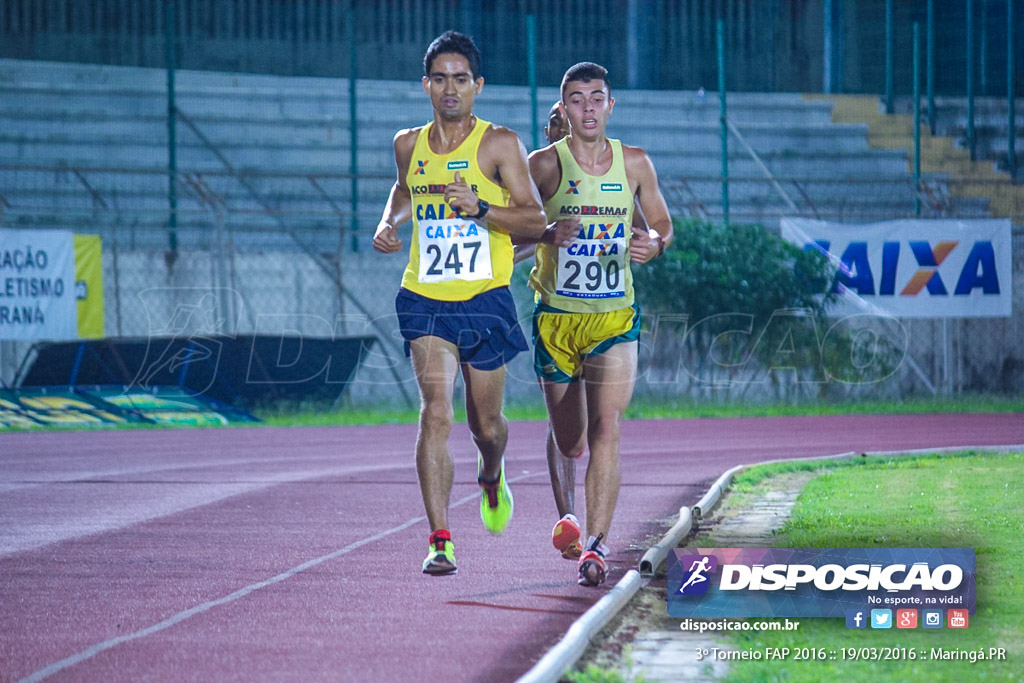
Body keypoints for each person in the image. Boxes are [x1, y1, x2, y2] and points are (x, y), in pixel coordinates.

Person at [372, 31, 547, 576]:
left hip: (484, 298)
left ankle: (491, 475)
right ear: (427, 85)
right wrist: (388, 220)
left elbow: (536, 221)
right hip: (425, 296)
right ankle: (440, 538)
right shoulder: (408, 143)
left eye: (461, 79)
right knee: (435, 413)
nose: (451, 88)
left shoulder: (500, 145)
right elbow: (404, 188)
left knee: (486, 425)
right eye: (440, 78)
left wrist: (478, 209)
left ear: (478, 86)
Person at [527, 62, 673, 586]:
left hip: (615, 317)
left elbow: (661, 225)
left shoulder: (634, 163)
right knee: (571, 441)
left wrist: (653, 244)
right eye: (576, 99)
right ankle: (566, 510)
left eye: (597, 98)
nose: (588, 108)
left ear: (610, 106)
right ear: (563, 108)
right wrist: (546, 235)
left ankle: (595, 543)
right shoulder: (543, 165)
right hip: (558, 321)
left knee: (607, 427)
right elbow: (511, 237)